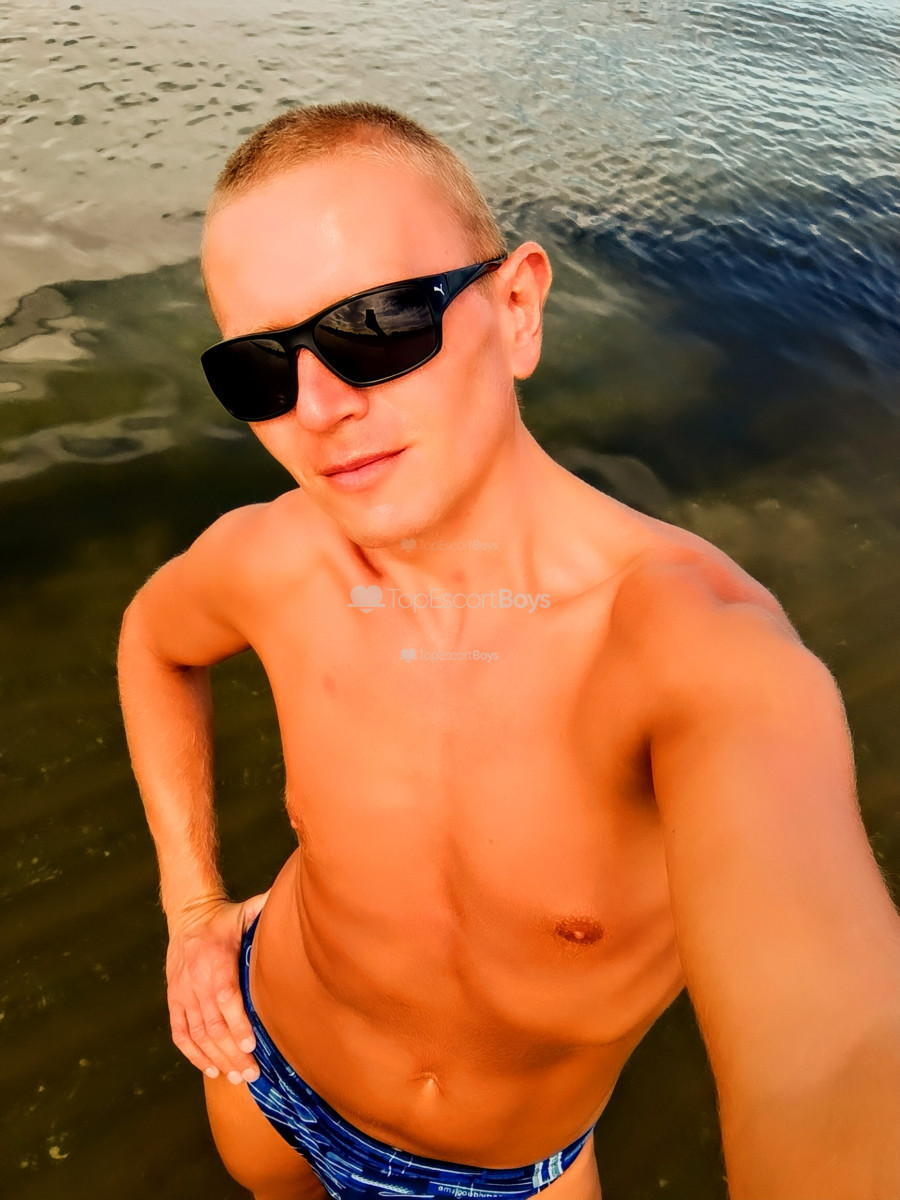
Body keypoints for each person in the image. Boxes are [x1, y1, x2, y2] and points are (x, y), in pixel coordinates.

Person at [117, 102, 900, 1200]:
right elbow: (153, 643)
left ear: (519, 307)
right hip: (263, 1078)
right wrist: (192, 908)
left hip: (501, 1177)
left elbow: (833, 1062)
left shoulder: (694, 650)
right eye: (260, 369)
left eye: (377, 325)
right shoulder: (276, 562)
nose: (319, 405)